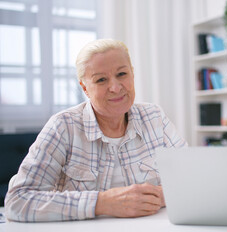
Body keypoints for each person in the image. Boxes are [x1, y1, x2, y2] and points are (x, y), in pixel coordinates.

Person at [5, 39, 187, 222]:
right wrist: (102, 203)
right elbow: (17, 201)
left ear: (132, 74)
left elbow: (192, 178)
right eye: (101, 79)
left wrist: (161, 196)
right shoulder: (63, 126)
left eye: (122, 74)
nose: (115, 88)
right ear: (85, 88)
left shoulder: (154, 117)